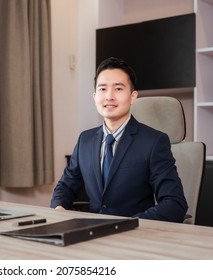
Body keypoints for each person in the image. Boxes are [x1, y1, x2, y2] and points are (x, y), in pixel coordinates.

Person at [50, 57, 188, 222]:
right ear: (94, 96)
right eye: (102, 89)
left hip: (134, 236)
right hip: (91, 235)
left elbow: (175, 203)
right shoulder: (85, 140)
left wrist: (128, 224)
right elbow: (65, 187)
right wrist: (59, 208)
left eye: (118, 89)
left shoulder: (154, 142)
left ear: (132, 96)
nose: (109, 96)